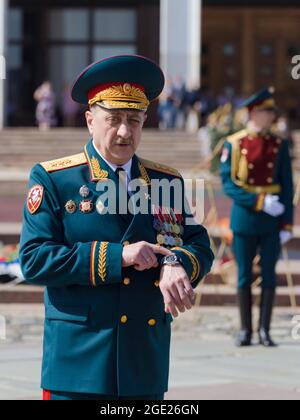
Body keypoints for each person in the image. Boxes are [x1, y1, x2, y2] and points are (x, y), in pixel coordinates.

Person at [19, 55, 214, 400]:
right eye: (114, 119)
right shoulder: (54, 179)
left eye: (134, 120)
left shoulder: (164, 180)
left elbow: (198, 244)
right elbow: (35, 259)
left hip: (143, 360)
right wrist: (118, 256)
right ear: (90, 120)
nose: (125, 131)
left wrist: (175, 262)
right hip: (79, 362)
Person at [220, 87, 294, 348]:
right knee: (243, 277)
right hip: (245, 217)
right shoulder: (234, 142)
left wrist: (287, 221)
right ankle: (245, 330)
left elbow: (287, 183)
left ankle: (264, 329)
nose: (271, 116)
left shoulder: (279, 143)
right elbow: (228, 184)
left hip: (272, 221)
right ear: (253, 112)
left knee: (270, 277)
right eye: (266, 112)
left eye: (272, 112)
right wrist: (259, 201)